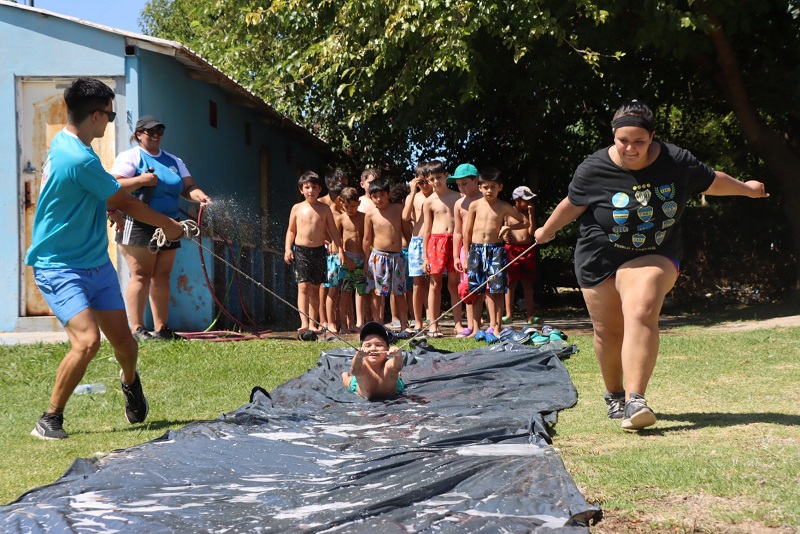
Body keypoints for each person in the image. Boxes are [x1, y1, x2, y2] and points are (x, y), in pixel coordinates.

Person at [534, 100, 768, 431]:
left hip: (655, 252)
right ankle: (615, 395)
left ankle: (636, 400)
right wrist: (546, 231)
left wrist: (747, 189)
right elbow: (573, 204)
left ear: (653, 136)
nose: (631, 148)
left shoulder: (676, 161)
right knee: (608, 331)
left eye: (639, 141)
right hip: (599, 256)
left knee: (641, 308)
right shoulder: (593, 168)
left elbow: (711, 180)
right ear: (613, 136)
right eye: (623, 141)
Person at [25, 77, 184, 440]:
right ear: (95, 116)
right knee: (87, 341)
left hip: (96, 264)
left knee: (126, 345)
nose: (110, 122)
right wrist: (168, 224)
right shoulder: (78, 157)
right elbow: (124, 200)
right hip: (59, 266)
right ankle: (49, 418)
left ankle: (130, 383)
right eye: (111, 116)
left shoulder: (68, 142)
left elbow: (92, 194)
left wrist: (106, 209)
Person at [110, 115, 210, 342]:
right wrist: (141, 181)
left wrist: (199, 196)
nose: (155, 135)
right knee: (141, 275)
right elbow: (114, 184)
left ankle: (161, 328)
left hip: (170, 224)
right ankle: (136, 329)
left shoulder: (173, 160)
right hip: (138, 223)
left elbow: (188, 188)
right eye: (150, 131)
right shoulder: (131, 157)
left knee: (162, 276)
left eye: (159, 131)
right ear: (138, 134)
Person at [462, 167, 528, 341]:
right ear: (480, 187)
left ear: (500, 187)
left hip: (495, 250)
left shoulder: (504, 206)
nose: (489, 191)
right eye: (485, 187)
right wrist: (467, 256)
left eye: (493, 187)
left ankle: (496, 327)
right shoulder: (475, 205)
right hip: (476, 250)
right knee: (476, 291)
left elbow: (525, 222)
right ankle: (476, 328)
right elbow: (467, 232)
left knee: (496, 290)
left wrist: (508, 227)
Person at [285, 171, 345, 335]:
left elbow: (333, 230)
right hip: (301, 251)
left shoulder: (324, 209)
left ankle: (313, 323)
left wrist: (340, 249)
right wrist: (288, 249)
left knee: (315, 288)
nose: (310, 190)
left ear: (320, 189)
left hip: (318, 251)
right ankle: (304, 322)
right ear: (301, 190)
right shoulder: (297, 208)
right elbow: (291, 230)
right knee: (303, 286)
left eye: (314, 187)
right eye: (307, 187)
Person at [362, 178, 412, 336]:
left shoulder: (397, 209)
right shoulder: (370, 214)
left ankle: (404, 325)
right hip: (378, 257)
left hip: (397, 257)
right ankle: (378, 324)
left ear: (389, 194)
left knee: (399, 292)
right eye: (375, 196)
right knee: (378, 293)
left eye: (382, 195)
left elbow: (406, 230)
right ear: (370, 197)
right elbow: (367, 239)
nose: (379, 199)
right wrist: (365, 261)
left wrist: (411, 248)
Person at [421, 160, 463, 337]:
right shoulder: (429, 202)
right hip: (436, 243)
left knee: (454, 284)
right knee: (435, 284)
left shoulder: (459, 197)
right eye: (432, 179)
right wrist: (425, 256)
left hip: (455, 241)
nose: (436, 181)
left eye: (439, 177)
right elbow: (426, 230)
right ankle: (433, 325)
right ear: (428, 181)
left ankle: (458, 324)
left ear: (446, 176)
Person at [451, 163, 484, 338]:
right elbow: (457, 231)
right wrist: (456, 255)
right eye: (458, 185)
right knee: (468, 287)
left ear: (476, 181)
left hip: (485, 247)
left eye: (465, 183)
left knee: (488, 287)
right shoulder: (459, 204)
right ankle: (471, 326)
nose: (461, 187)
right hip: (466, 249)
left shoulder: (485, 199)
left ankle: (493, 325)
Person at [402, 161, 434, 334]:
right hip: (417, 241)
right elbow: (405, 217)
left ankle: (431, 317)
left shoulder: (437, 196)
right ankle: (418, 320)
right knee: (417, 284)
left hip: (433, 241)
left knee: (433, 282)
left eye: (428, 181)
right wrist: (413, 192)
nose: (425, 185)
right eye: (421, 182)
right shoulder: (413, 197)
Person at [341, 321, 405, 400]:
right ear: (361, 349)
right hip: (360, 387)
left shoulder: (388, 365)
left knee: (395, 371)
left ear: (387, 349)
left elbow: (397, 366)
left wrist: (397, 355)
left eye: (379, 345)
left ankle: (397, 375)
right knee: (347, 381)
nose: (373, 348)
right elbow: (354, 370)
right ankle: (344, 376)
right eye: (368, 345)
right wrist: (358, 356)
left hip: (393, 388)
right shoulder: (362, 367)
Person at [503, 186, 539, 324]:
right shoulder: (508, 213)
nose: (529, 203)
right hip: (512, 250)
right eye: (526, 200)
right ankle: (509, 314)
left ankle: (530, 315)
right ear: (517, 200)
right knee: (510, 283)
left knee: (527, 283)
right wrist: (504, 237)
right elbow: (503, 230)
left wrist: (531, 214)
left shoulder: (528, 214)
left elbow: (532, 232)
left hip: (528, 249)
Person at [336, 187, 367, 332]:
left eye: (353, 206)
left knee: (361, 291)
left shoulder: (364, 217)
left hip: (361, 257)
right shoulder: (341, 219)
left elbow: (367, 239)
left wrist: (366, 259)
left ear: (359, 203)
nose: (350, 209)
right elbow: (337, 240)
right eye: (346, 206)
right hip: (347, 258)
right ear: (341, 203)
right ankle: (344, 324)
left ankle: (359, 323)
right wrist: (343, 256)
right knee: (345, 292)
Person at [321, 182, 345, 334]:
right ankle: (329, 322)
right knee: (332, 290)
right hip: (332, 257)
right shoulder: (330, 214)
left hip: (344, 257)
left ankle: (343, 322)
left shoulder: (345, 214)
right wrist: (327, 242)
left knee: (344, 291)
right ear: (340, 199)